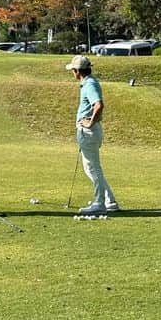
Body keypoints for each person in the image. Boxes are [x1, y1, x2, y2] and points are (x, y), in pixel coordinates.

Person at [66, 54, 120, 214]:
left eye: (73, 70)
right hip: (90, 130)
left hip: (88, 130)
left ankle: (100, 203)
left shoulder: (89, 84)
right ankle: (109, 201)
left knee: (92, 168)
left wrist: (89, 123)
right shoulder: (88, 83)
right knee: (91, 167)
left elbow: (98, 105)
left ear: (77, 71)